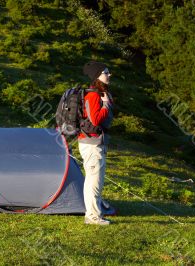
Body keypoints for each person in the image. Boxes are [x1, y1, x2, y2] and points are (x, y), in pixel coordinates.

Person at [79, 61, 114, 225]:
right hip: (92, 144)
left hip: (93, 143)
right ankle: (93, 217)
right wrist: (106, 104)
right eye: (106, 72)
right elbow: (96, 119)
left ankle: (92, 214)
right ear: (97, 76)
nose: (109, 75)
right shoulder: (93, 95)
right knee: (94, 181)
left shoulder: (97, 94)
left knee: (92, 180)